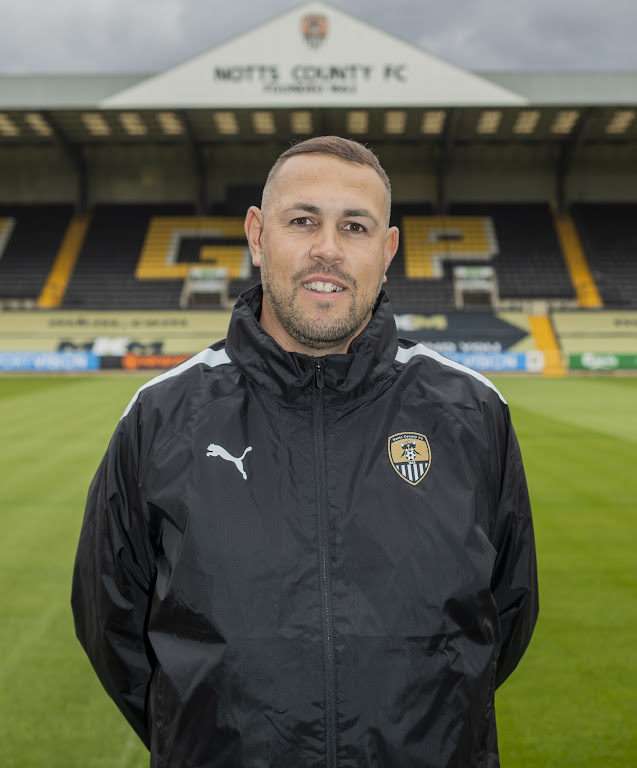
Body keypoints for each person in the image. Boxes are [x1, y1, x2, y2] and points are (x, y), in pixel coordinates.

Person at [72, 136, 538, 768]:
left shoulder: (471, 413)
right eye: (303, 221)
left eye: (355, 226)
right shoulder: (160, 417)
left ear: (387, 249)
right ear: (258, 235)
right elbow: (112, 626)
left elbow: (506, 614)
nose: (328, 248)